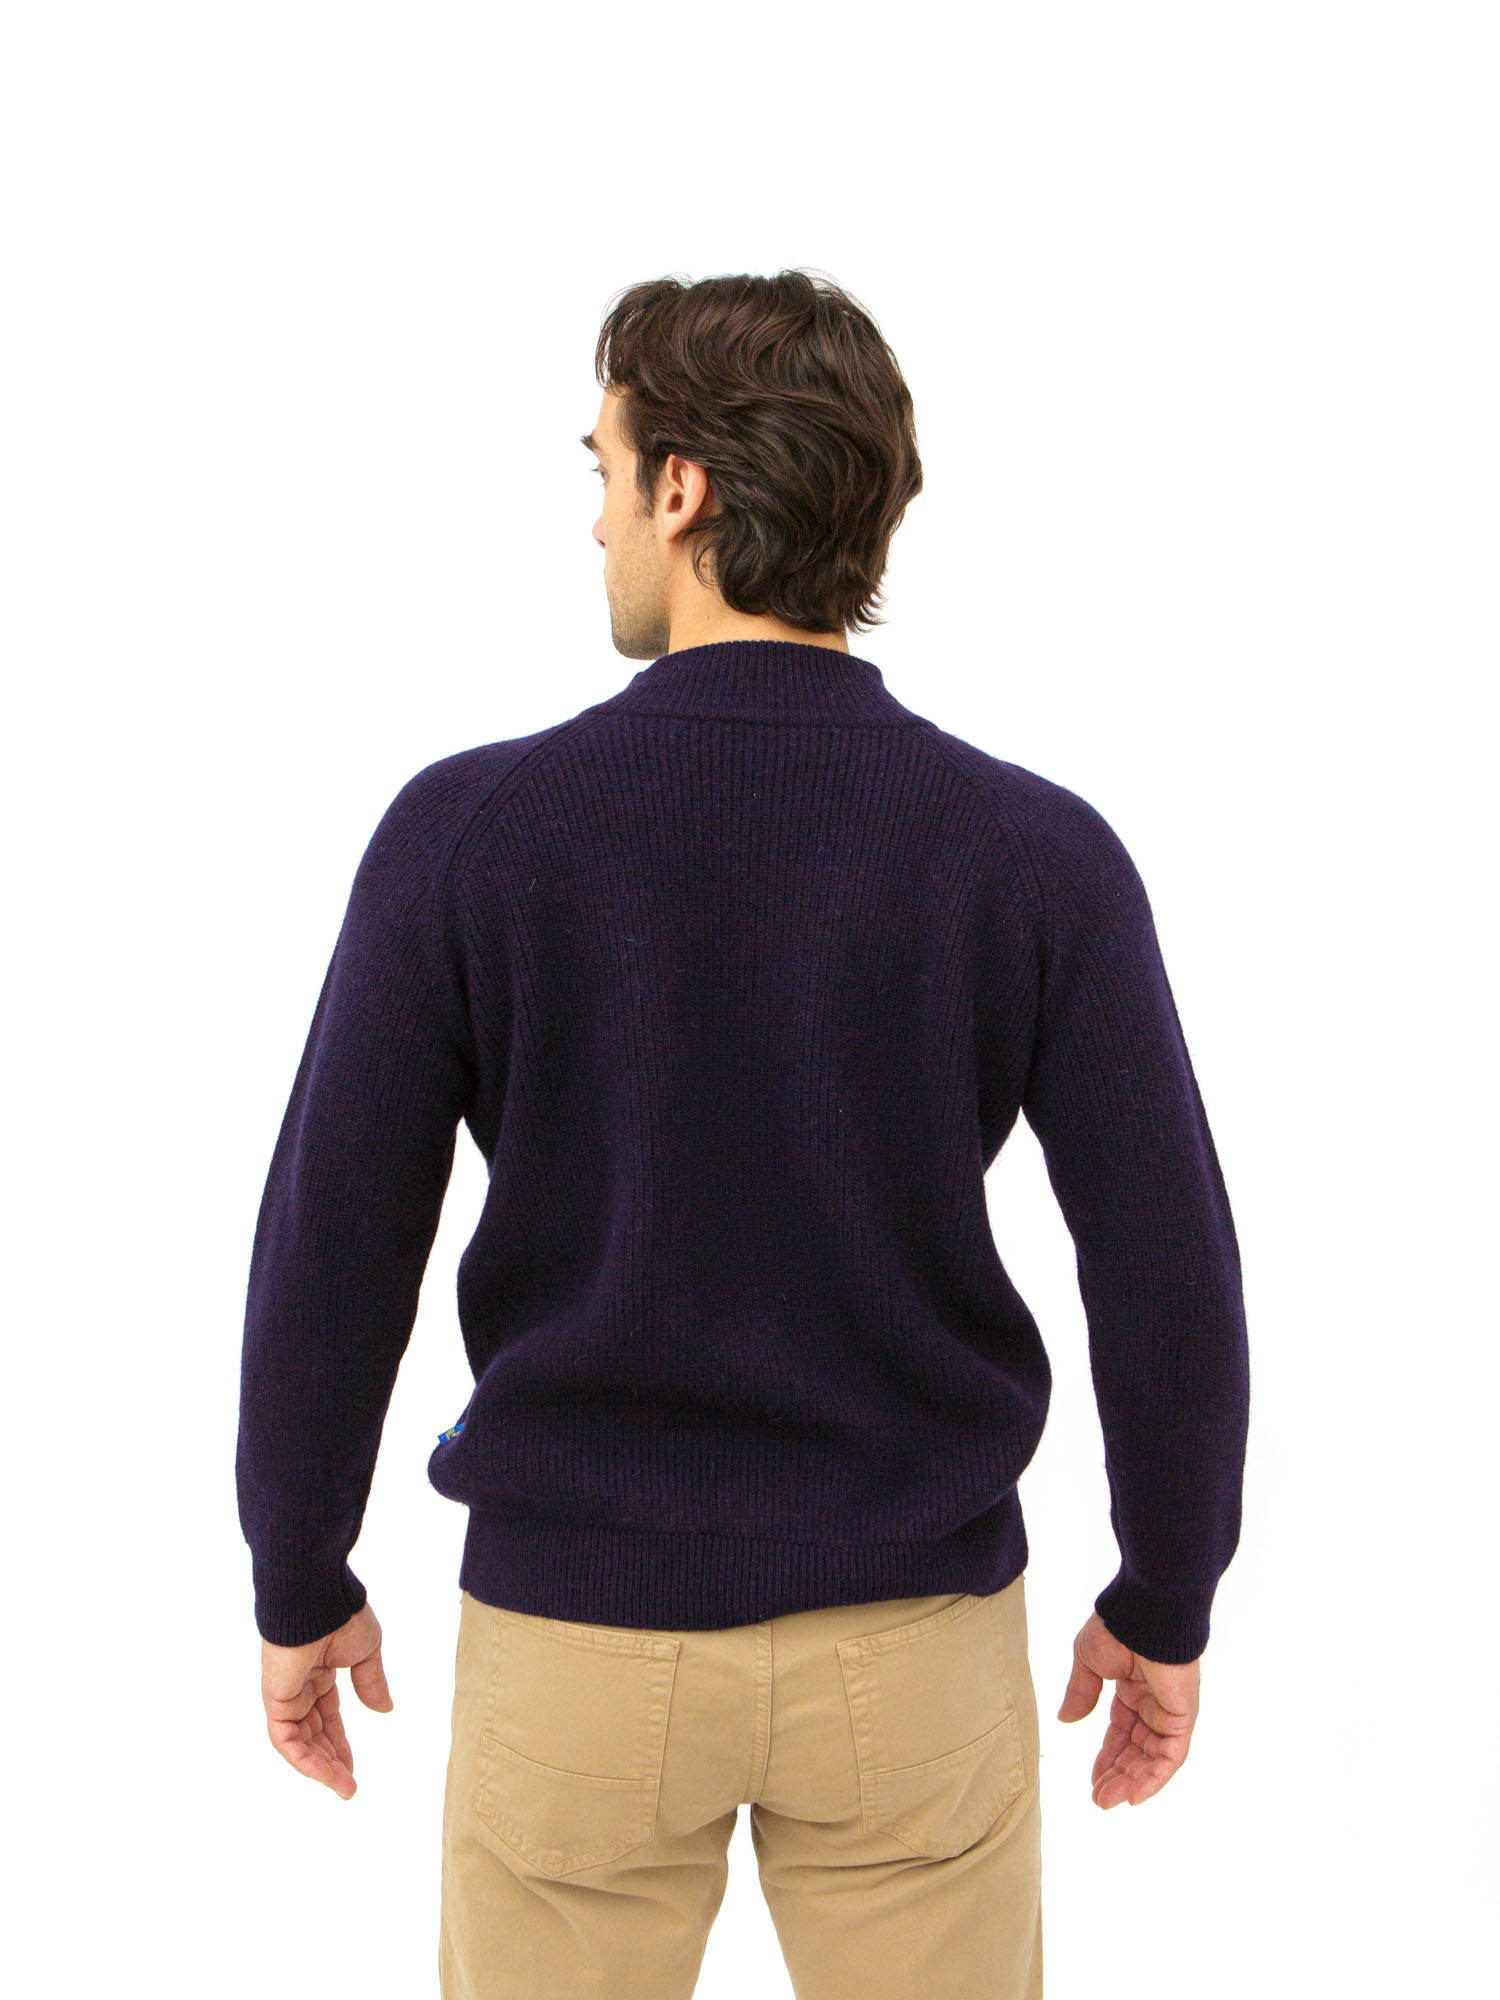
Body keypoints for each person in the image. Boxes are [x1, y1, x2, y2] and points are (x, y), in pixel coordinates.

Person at [236, 268, 1250, 1999]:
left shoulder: (470, 833)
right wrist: (1167, 1592)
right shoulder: (1035, 855)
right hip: (914, 1648)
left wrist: (298, 1567)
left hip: (575, 1647)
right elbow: (1167, 1262)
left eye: (606, 469)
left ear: (684, 490)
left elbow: (335, 1240)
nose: (598, 521)